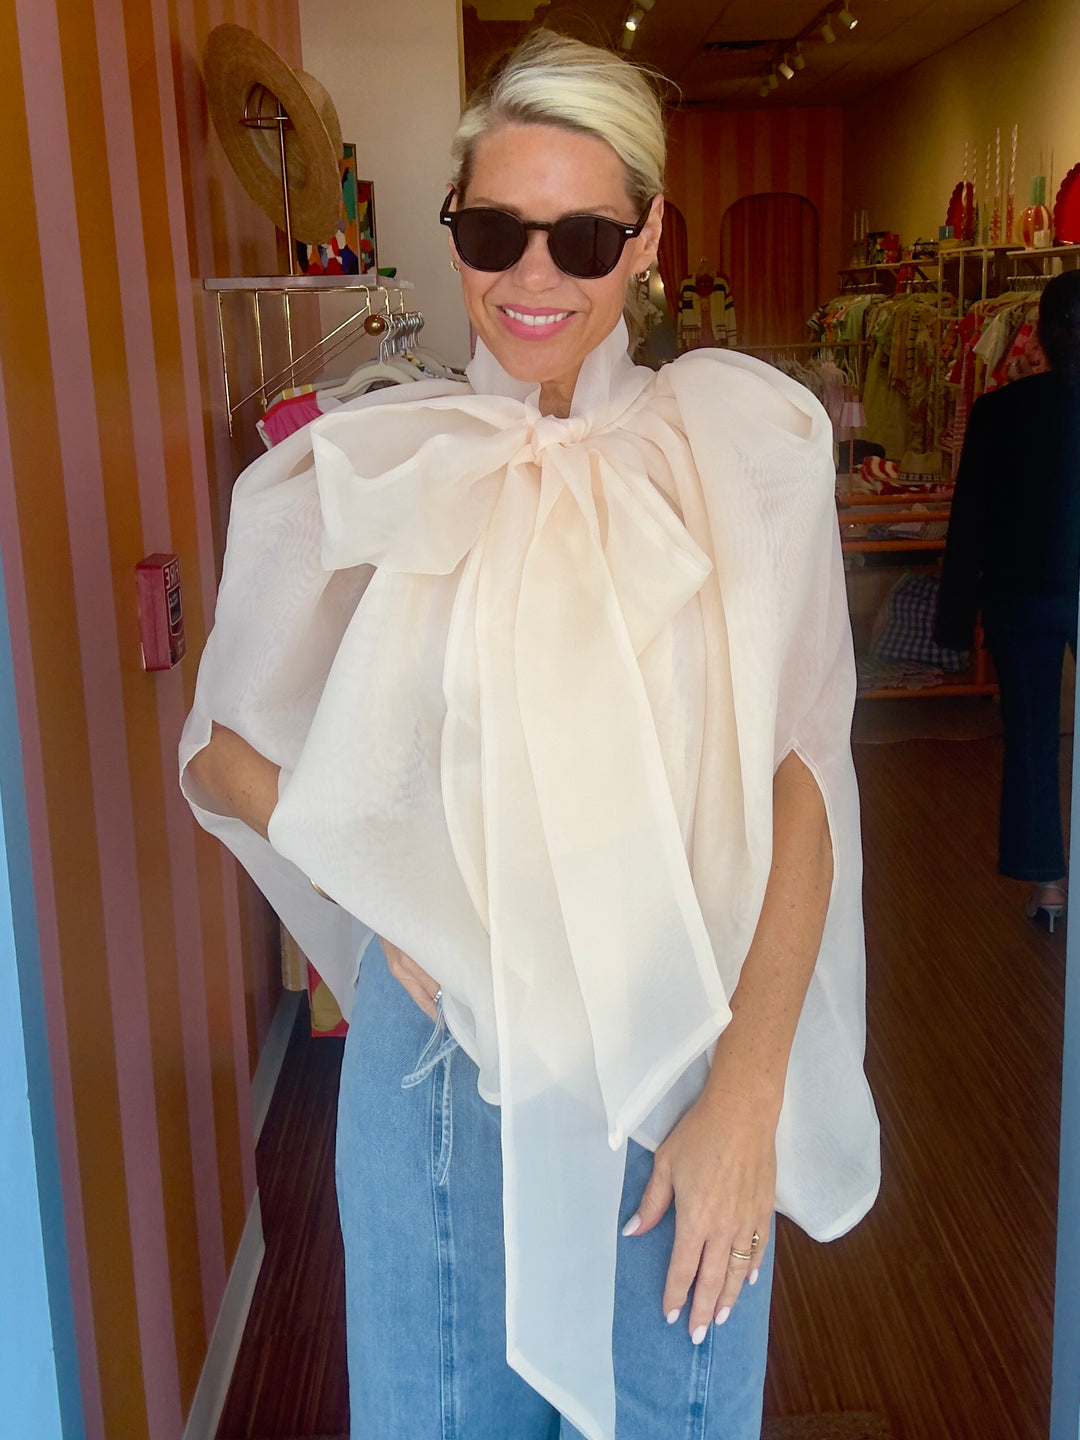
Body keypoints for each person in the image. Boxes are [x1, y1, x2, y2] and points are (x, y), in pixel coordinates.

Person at [181, 31, 879, 1440]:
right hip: (438, 1068)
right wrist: (386, 886)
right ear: (454, 228)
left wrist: (751, 1090)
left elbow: (804, 777)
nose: (534, 277)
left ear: (649, 237)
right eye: (495, 231)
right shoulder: (384, 461)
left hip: (683, 1049)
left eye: (585, 235)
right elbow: (215, 752)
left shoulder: (744, 449)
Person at [936, 269, 1080, 933]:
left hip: (1019, 593)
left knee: (1030, 737)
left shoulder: (1000, 411)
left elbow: (969, 519)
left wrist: (954, 617)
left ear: (1040, 335)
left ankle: (1049, 885)